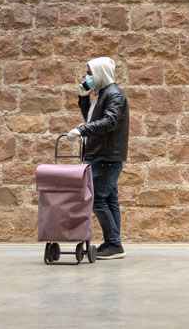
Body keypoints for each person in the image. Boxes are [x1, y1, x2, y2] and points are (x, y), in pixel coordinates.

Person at [68, 57, 129, 260]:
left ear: (101, 73)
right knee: (109, 199)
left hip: (106, 156)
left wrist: (82, 130)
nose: (87, 77)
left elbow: (109, 121)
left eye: (90, 73)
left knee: (97, 199)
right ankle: (113, 244)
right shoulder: (103, 94)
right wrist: (83, 98)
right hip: (103, 154)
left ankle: (114, 244)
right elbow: (92, 118)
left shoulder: (114, 95)